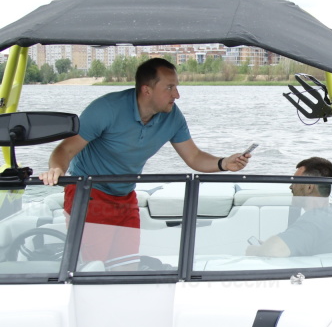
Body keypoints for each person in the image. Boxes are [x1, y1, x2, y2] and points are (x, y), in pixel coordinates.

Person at [38, 57, 251, 266]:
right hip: (88, 194)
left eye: (176, 87)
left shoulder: (173, 116)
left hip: (125, 195)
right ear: (146, 90)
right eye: (169, 88)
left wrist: (224, 163)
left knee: (127, 267)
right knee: (90, 269)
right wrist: (56, 169)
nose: (177, 94)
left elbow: (194, 157)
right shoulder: (106, 109)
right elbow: (65, 149)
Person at [246, 157, 332, 257]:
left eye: (295, 181)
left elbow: (273, 251)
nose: (291, 186)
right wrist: (282, 243)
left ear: (309, 187)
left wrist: (256, 251)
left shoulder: (313, 221)